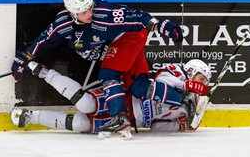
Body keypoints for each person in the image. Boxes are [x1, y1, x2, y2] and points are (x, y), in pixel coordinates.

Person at [11, 0, 184, 137]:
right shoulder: (63, 23)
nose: (89, 14)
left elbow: (138, 16)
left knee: (108, 74)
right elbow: (46, 39)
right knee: (139, 87)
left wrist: (162, 26)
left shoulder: (103, 13)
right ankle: (185, 99)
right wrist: (25, 57)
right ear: (72, 13)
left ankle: (119, 118)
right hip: (124, 45)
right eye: (83, 12)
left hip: (129, 38)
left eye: (90, 8)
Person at [11, 59, 211, 138]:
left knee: (81, 124)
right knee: (86, 103)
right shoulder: (178, 72)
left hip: (128, 121)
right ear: (193, 71)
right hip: (122, 100)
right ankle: (45, 73)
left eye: (204, 83)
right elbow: (161, 80)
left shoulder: (187, 108)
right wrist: (187, 87)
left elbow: (157, 127)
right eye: (200, 79)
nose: (201, 86)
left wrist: (182, 125)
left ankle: (31, 116)